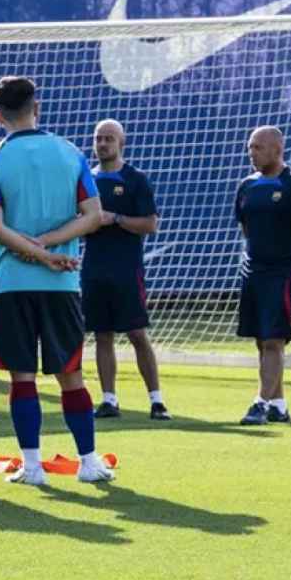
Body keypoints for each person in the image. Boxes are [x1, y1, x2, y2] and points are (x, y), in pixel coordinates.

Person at [0, 76, 111, 485]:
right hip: (61, 284)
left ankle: (32, 467)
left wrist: (36, 251)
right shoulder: (70, 153)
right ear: (38, 106)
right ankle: (88, 462)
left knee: (22, 377)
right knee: (71, 374)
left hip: (12, 283)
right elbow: (93, 215)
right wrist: (50, 248)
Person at [234, 127, 291, 425]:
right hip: (254, 271)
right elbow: (246, 228)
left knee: (274, 340)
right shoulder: (247, 186)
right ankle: (279, 405)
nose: (252, 152)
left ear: (277, 149)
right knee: (262, 339)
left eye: (258, 147)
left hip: (283, 272)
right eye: (250, 147)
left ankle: (259, 403)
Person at [82, 119, 169, 421]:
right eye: (98, 138)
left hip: (127, 268)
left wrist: (114, 218)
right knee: (101, 334)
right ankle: (109, 399)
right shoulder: (86, 180)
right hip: (94, 268)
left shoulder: (135, 179)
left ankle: (157, 401)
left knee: (136, 333)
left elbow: (150, 224)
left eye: (109, 138)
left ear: (122, 143)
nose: (102, 144)